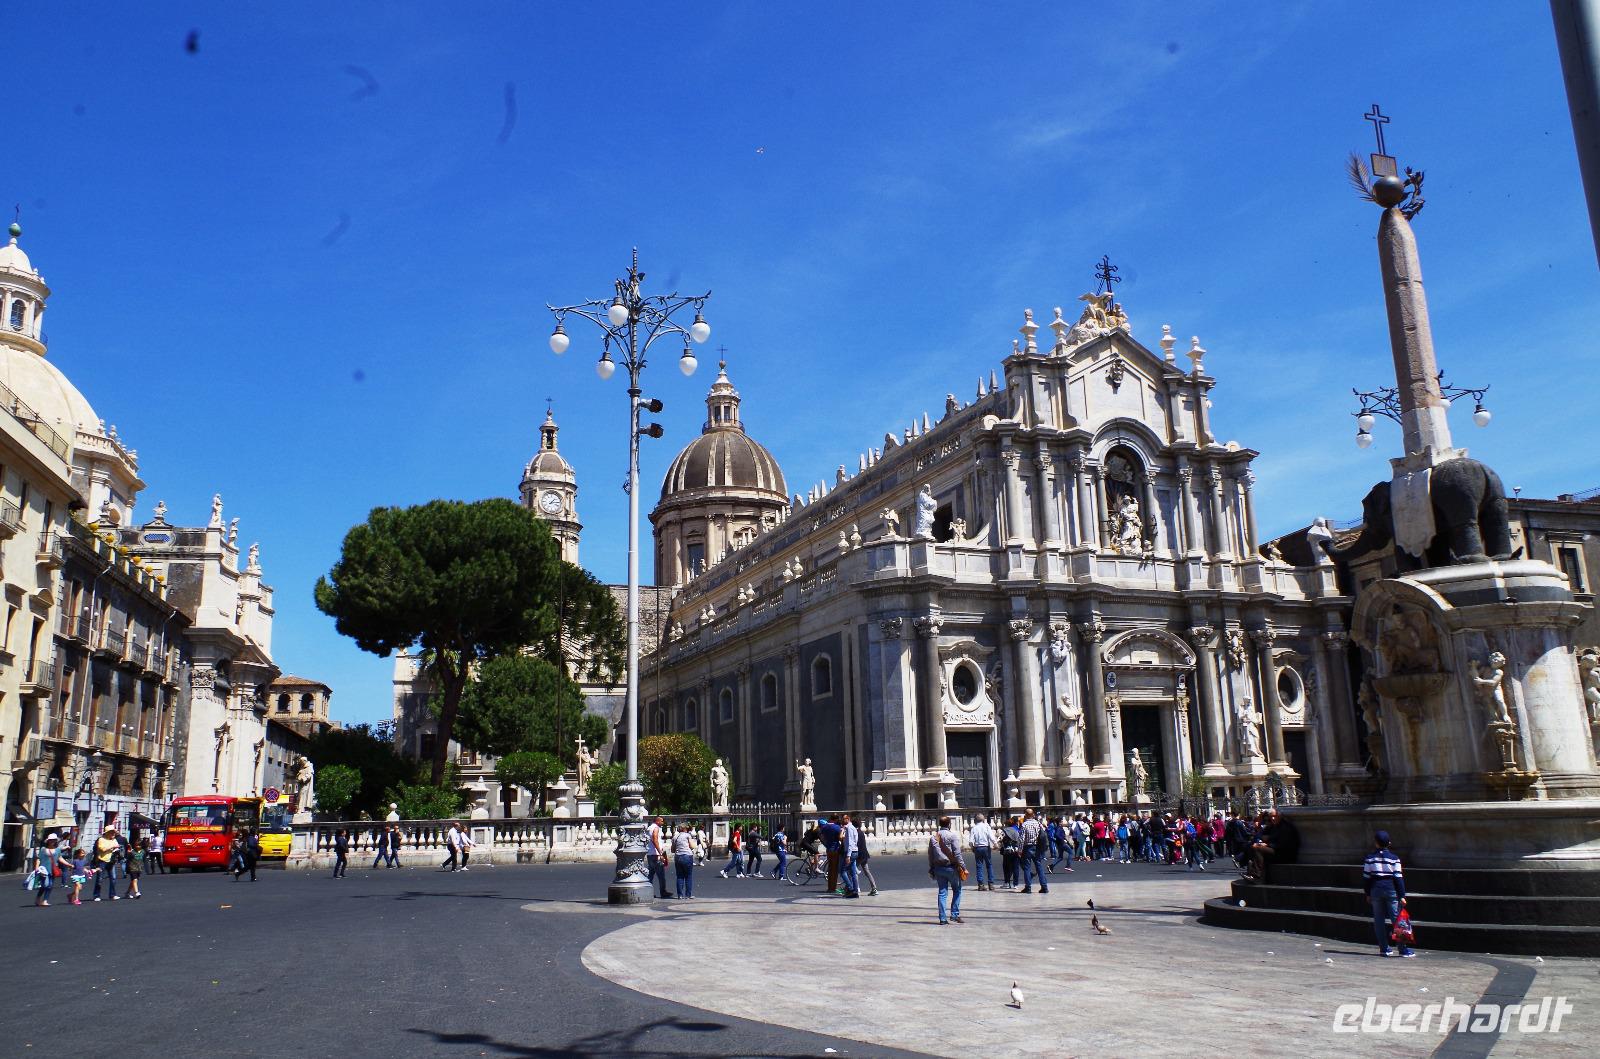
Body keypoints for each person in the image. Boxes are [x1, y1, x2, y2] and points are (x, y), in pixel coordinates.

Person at [1363, 830, 1415, 958]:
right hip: (1391, 889)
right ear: (1389, 843)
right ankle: (1402, 949)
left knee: (1378, 920)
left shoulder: (1369, 859)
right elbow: (1398, 878)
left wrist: (1367, 893)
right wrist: (1402, 895)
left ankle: (1384, 948)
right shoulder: (1394, 859)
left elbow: (1366, 878)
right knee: (1397, 920)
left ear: (1376, 843)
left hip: (1375, 889)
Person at [927, 815, 966, 925]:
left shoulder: (933, 838)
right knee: (957, 890)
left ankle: (943, 918)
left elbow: (930, 855)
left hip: (939, 868)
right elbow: (957, 854)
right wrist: (963, 867)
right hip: (951, 867)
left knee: (942, 893)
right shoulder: (952, 836)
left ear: (939, 824)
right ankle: (954, 914)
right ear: (949, 824)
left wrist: (931, 867)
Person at [1246, 810, 1300, 882]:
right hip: (1276, 850)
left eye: (1275, 816)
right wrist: (1264, 840)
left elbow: (1282, 844)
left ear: (1280, 816)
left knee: (1257, 849)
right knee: (1252, 847)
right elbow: (1268, 836)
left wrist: (1267, 844)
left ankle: (1257, 876)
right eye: (1271, 817)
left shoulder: (1285, 827)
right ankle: (1251, 873)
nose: (1273, 819)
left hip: (1285, 854)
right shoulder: (1275, 826)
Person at [1019, 809, 1049, 894]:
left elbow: (1021, 839)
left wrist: (1020, 850)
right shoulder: (1038, 823)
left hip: (1027, 847)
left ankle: (1028, 887)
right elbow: (1043, 835)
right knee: (1039, 867)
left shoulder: (1024, 825)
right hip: (1037, 847)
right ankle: (1044, 886)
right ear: (1033, 815)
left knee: (1027, 868)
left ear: (1026, 815)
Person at [92, 827, 121, 901]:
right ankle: (96, 895)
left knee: (113, 878)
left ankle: (112, 894)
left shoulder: (114, 840)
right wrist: (112, 847)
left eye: (114, 832)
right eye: (112, 832)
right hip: (102, 861)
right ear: (107, 832)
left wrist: (114, 848)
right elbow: (102, 848)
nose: (113, 834)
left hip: (111, 861)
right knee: (99, 879)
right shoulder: (101, 839)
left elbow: (117, 847)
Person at [33, 835, 62, 907]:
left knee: (50, 886)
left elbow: (60, 858)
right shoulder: (43, 849)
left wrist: (69, 865)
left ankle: (45, 900)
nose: (52, 841)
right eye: (51, 840)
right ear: (48, 841)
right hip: (44, 870)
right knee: (45, 885)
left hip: (52, 870)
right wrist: (37, 868)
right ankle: (38, 898)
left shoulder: (57, 849)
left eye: (54, 840)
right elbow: (39, 859)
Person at [969, 816, 996, 891]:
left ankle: (980, 884)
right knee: (989, 865)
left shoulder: (974, 828)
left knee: (979, 865)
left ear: (975, 820)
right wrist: (995, 843)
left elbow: (971, 841)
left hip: (977, 847)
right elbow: (991, 836)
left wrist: (972, 848)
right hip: (986, 847)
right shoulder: (987, 827)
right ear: (983, 819)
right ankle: (991, 884)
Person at [647, 816, 671, 898]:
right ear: (657, 821)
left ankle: (648, 892)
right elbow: (655, 839)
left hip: (650, 853)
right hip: (656, 854)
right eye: (662, 821)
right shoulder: (656, 828)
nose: (663, 823)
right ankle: (663, 892)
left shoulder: (649, 828)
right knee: (661, 875)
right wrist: (660, 852)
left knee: (650, 874)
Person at [855, 821, 880, 896]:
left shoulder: (856, 833)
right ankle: (874, 888)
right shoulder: (861, 833)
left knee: (854, 871)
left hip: (859, 855)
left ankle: (856, 888)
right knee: (867, 871)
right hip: (864, 854)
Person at [819, 815, 843, 892]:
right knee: (835, 870)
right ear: (835, 819)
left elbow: (822, 837)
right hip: (835, 849)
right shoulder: (837, 827)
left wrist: (826, 844)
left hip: (828, 849)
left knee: (830, 868)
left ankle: (829, 887)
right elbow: (840, 837)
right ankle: (833, 887)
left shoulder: (824, 827)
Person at [839, 814, 861, 898]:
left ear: (848, 819)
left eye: (843, 819)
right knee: (852, 873)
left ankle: (851, 889)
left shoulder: (849, 828)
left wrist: (848, 855)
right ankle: (855, 891)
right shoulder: (851, 828)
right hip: (854, 852)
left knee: (842, 871)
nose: (842, 820)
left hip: (850, 852)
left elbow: (850, 843)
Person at [672, 822, 695, 899]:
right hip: (687, 856)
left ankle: (680, 895)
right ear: (685, 828)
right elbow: (692, 846)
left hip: (678, 857)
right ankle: (688, 895)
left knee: (679, 876)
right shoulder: (688, 835)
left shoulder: (675, 836)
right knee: (688, 876)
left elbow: (672, 849)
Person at [1000, 816, 1022, 889]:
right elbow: (1019, 841)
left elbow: (999, 839)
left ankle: (1006, 882)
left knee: (1006, 867)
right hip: (1015, 851)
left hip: (1007, 851)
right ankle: (1015, 884)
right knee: (1015, 867)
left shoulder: (1004, 831)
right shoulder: (1016, 831)